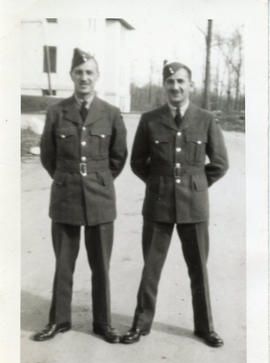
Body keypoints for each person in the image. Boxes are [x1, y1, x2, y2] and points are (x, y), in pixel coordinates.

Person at [121, 62, 229, 347]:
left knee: (198, 269)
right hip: (158, 205)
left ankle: (205, 328)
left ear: (190, 85)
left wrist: (195, 184)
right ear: (164, 86)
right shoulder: (150, 119)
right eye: (171, 82)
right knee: (151, 268)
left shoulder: (205, 119)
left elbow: (219, 164)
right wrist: (159, 183)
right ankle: (140, 325)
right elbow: (137, 162)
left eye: (181, 81)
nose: (176, 87)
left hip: (194, 206)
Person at [33, 48, 127, 343]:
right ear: (71, 76)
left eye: (89, 72)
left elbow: (118, 157)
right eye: (79, 73)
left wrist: (98, 180)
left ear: (97, 77)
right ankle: (59, 320)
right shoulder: (56, 112)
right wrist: (67, 177)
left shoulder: (111, 113)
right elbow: (48, 156)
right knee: (63, 262)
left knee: (101, 264)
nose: (84, 78)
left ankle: (103, 323)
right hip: (65, 195)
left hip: (100, 197)